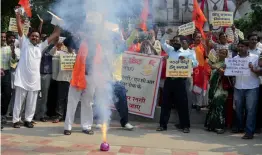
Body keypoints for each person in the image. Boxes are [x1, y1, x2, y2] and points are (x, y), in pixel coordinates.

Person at [12, 7, 61, 128]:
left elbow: (55, 34)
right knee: (19, 100)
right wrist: (18, 15)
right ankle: (16, 120)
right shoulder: (24, 43)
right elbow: (19, 29)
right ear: (29, 37)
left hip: (34, 79)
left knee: (32, 101)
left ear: (39, 39)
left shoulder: (40, 46)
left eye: (37, 36)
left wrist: (58, 24)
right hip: (22, 78)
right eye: (33, 36)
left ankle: (28, 119)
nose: (35, 37)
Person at [156, 29, 198, 133]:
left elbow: (196, 63)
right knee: (166, 103)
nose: (175, 42)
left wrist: (187, 61)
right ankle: (162, 125)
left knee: (182, 104)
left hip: (181, 81)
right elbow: (162, 42)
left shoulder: (188, 52)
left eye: (177, 41)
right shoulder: (170, 50)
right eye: (174, 41)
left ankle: (185, 126)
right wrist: (167, 33)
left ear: (181, 42)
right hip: (170, 80)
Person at [233, 40, 260, 139]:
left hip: (252, 87)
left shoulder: (255, 58)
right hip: (238, 87)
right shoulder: (234, 58)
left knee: (251, 110)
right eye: (239, 46)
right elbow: (232, 72)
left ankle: (249, 132)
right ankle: (240, 127)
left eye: (242, 46)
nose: (240, 48)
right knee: (238, 109)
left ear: (247, 47)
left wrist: (253, 69)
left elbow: (260, 72)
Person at [205, 49, 232, 134]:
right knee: (213, 105)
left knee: (219, 106)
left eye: (224, 53)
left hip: (222, 88)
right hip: (213, 87)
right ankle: (211, 125)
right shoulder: (215, 62)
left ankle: (219, 126)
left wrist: (218, 69)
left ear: (226, 55)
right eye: (220, 52)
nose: (221, 54)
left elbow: (227, 74)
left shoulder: (228, 63)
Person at [52, 38, 76, 123]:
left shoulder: (76, 55)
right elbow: (52, 53)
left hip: (72, 80)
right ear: (66, 46)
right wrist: (56, 45)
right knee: (61, 98)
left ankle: (67, 116)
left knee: (70, 99)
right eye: (70, 46)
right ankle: (59, 115)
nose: (71, 48)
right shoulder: (61, 53)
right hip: (62, 79)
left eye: (73, 46)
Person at [1, 32, 19, 128]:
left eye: (4, 37)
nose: (3, 39)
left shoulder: (9, 48)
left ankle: (3, 114)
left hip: (7, 73)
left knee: (7, 95)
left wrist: (12, 52)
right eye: (2, 37)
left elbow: (13, 62)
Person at [191, 32, 210, 111]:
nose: (199, 38)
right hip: (193, 68)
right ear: (194, 38)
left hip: (201, 69)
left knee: (199, 86)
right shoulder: (190, 47)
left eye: (200, 37)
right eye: (197, 37)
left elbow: (207, 57)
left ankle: (199, 103)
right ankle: (194, 103)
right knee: (193, 86)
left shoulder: (203, 46)